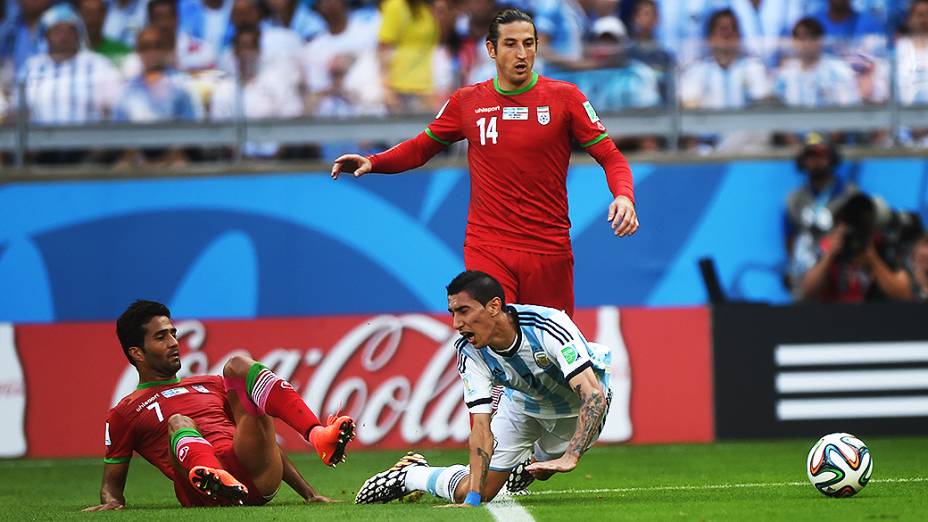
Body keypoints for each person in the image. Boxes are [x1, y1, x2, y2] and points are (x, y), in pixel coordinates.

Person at [331, 8, 639, 318]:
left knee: (549, 357)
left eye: (529, 43)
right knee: (494, 328)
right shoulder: (467, 102)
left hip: (548, 249)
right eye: (510, 44)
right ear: (491, 49)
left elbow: (611, 156)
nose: (522, 53)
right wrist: (373, 161)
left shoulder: (565, 98)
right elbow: (421, 148)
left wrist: (624, 195)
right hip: (489, 245)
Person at [355, 270, 613, 506]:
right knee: (481, 492)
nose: (456, 323)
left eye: (464, 311)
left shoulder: (548, 325)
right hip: (522, 406)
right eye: (452, 313)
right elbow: (480, 426)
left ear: (494, 306)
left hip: (571, 411)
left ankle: (523, 466)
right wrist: (473, 498)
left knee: (543, 469)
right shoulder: (469, 352)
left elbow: (593, 396)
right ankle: (411, 474)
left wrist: (571, 456)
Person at [83, 300, 356, 510]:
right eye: (161, 337)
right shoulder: (125, 411)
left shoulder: (210, 383)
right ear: (137, 352)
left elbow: (263, 437)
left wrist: (309, 494)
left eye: (173, 333)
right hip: (200, 492)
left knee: (237, 367)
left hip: (252, 476)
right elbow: (112, 484)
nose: (174, 343)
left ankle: (316, 434)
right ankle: (213, 475)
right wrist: (112, 500)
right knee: (179, 422)